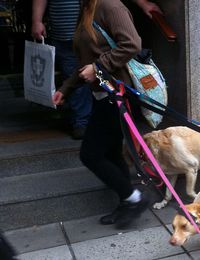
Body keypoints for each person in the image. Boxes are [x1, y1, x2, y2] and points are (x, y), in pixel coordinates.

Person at [52, 0, 162, 227]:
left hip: (118, 94)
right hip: (103, 94)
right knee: (111, 152)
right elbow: (85, 61)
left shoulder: (110, 6)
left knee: (90, 154)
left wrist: (99, 68)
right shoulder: (85, 8)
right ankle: (127, 201)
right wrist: (66, 88)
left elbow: (132, 43)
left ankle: (134, 198)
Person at [32, 0, 93, 139]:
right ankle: (81, 121)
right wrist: (37, 20)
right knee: (74, 76)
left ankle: (85, 121)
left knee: (94, 74)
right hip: (65, 34)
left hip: (92, 33)